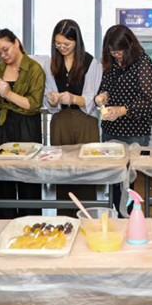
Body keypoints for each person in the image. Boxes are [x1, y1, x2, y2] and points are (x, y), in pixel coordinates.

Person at [0, 29, 45, 219]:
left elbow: (33, 105)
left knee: (28, 181)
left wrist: (8, 94)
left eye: (5, 49)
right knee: (2, 182)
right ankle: (3, 225)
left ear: (16, 43)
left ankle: (30, 225)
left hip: (27, 126)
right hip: (2, 125)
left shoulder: (34, 69)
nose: (3, 55)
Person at [44, 19, 102, 214]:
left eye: (66, 44)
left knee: (86, 170)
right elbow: (48, 98)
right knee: (62, 171)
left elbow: (93, 98)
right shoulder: (50, 64)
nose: (62, 48)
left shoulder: (90, 63)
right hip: (60, 121)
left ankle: (88, 216)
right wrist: (52, 99)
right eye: (57, 44)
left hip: (85, 121)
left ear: (77, 41)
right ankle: (65, 217)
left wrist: (73, 98)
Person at [94, 24, 152, 147]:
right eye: (112, 52)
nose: (116, 55)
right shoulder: (111, 62)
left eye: (119, 52)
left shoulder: (143, 62)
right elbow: (105, 87)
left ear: (129, 46)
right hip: (110, 129)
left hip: (135, 132)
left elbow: (147, 101)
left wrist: (121, 110)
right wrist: (102, 96)